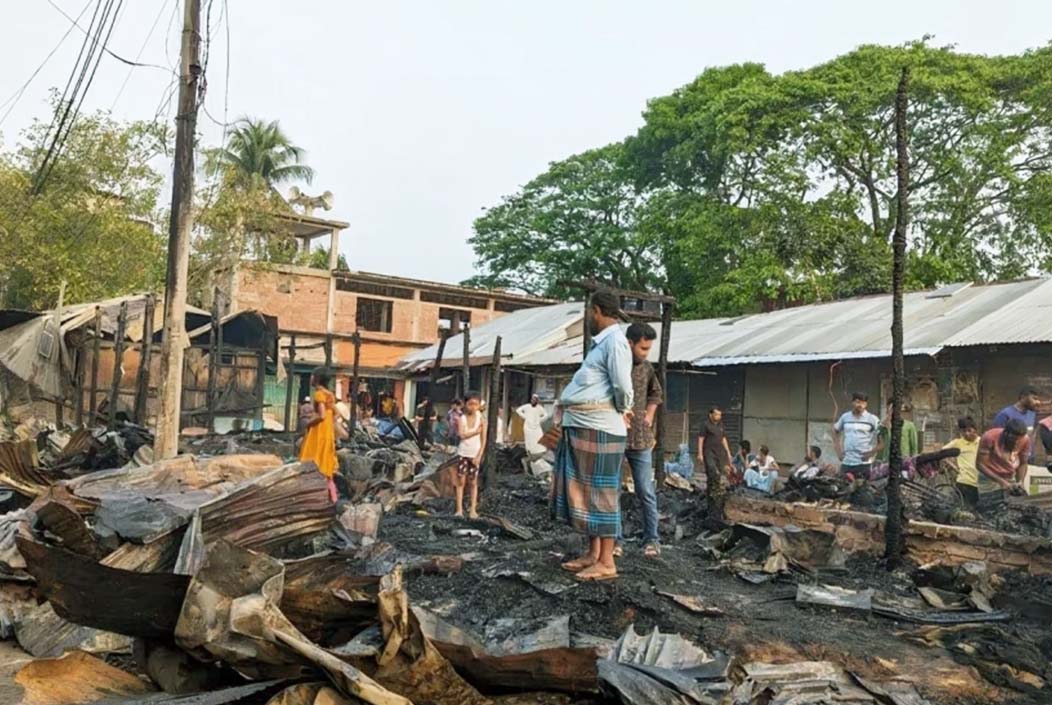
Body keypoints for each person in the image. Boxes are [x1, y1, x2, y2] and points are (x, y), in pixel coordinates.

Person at [552, 290, 633, 582]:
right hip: (585, 425)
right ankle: (593, 553)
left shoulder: (615, 343)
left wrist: (624, 408)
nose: (588, 317)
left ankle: (608, 561)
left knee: (602, 494)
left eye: (589, 312)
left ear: (597, 311)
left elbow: (623, 386)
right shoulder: (600, 345)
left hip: (600, 427)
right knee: (586, 493)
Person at [618, 322, 663, 559]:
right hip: (615, 437)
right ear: (630, 343)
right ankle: (615, 540)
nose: (645, 353)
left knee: (645, 490)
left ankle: (652, 539)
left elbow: (656, 394)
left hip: (642, 440)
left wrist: (648, 415)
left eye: (648, 349)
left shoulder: (647, 369)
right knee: (612, 491)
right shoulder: (616, 366)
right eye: (643, 348)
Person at [299, 368, 338, 503]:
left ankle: (311, 498)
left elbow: (321, 415)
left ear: (316, 378)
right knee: (326, 466)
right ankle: (333, 499)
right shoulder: (330, 395)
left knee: (313, 461)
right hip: (327, 432)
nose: (310, 379)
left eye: (311, 376)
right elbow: (335, 414)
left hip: (319, 432)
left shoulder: (319, 394)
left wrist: (310, 423)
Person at [976, 417, 1030, 500]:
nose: (1016, 443)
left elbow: (1023, 463)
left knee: (1018, 503)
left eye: (1019, 441)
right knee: (989, 506)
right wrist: (1001, 482)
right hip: (989, 477)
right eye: (1013, 440)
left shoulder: (1026, 440)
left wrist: (1020, 481)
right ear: (1005, 433)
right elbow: (980, 465)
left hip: (1009, 476)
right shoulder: (989, 437)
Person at [833, 392, 881, 478]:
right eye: (858, 402)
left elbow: (883, 440)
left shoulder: (872, 419)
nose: (860, 405)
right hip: (847, 462)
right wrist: (838, 452)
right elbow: (835, 431)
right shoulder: (845, 417)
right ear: (852, 403)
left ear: (866, 404)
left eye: (863, 403)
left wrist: (871, 453)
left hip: (863, 463)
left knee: (862, 489)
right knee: (843, 487)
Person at [455, 391, 487, 518]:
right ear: (465, 404)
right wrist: (476, 432)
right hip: (463, 453)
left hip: (475, 453)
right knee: (460, 481)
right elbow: (461, 435)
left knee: (473, 482)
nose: (473, 407)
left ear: (479, 405)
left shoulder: (482, 419)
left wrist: (479, 456)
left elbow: (483, 439)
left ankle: (473, 509)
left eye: (475, 404)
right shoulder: (461, 418)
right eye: (470, 404)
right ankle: (459, 510)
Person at [698, 407, 733, 520]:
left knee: (718, 477)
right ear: (711, 415)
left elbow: (723, 438)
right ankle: (712, 500)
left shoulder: (721, 425)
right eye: (717, 414)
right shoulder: (705, 425)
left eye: (720, 415)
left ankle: (715, 502)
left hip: (720, 454)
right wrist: (700, 454)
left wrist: (728, 452)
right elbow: (701, 439)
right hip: (709, 453)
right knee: (714, 473)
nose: (719, 417)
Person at [992, 386, 1041, 461]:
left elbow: (1032, 435)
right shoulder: (1005, 414)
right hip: (1011, 459)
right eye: (1034, 398)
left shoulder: (1032, 414)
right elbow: (997, 439)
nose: (1037, 402)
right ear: (1023, 397)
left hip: (1028, 458)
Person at [943, 416, 980, 508]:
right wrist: (953, 466)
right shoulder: (958, 443)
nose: (967, 434)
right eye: (964, 432)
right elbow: (941, 453)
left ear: (975, 429)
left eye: (969, 430)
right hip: (964, 481)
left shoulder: (983, 442)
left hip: (980, 482)